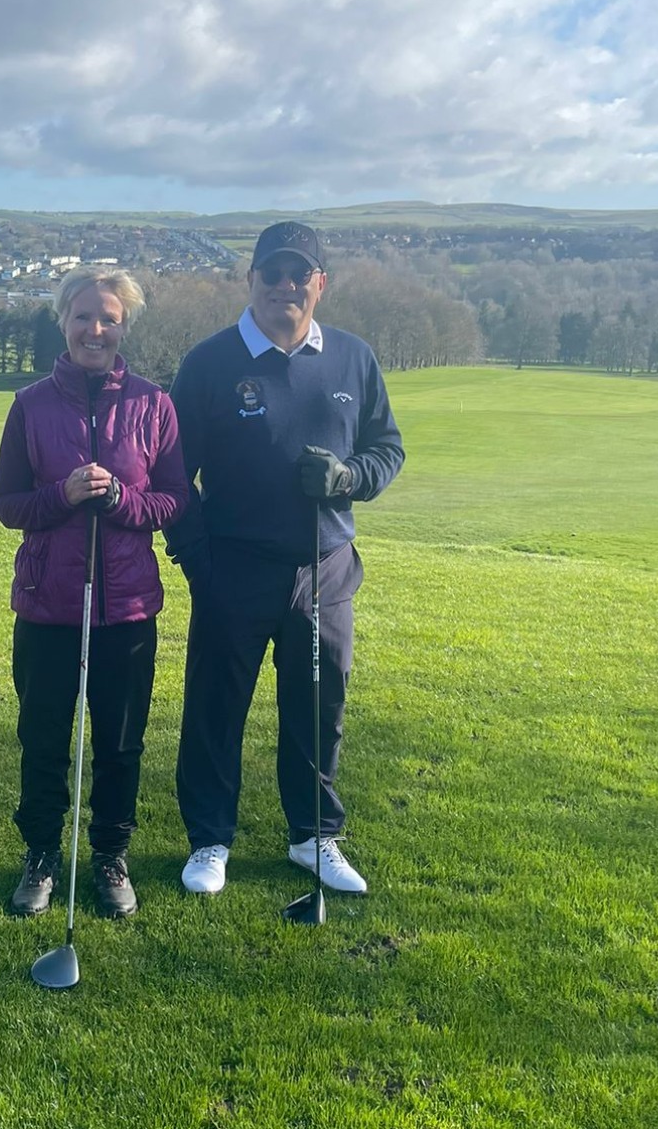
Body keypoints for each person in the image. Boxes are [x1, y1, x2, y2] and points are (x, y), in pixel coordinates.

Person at [164, 221, 405, 896]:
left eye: (299, 274)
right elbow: (175, 476)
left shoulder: (353, 359)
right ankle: (210, 841)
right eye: (272, 273)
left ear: (320, 284)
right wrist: (195, 560)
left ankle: (315, 837)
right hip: (233, 566)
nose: (285, 286)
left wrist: (349, 478)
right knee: (216, 709)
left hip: (324, 567)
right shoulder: (210, 362)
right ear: (252, 281)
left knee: (318, 708)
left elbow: (387, 447)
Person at [0, 266, 188, 918]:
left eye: (108, 318)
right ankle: (42, 854)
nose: (94, 329)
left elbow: (171, 501)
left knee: (120, 742)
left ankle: (110, 854)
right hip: (49, 605)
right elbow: (7, 502)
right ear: (63, 322)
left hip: (127, 608)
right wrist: (62, 495)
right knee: (44, 738)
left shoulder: (153, 405)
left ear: (125, 325)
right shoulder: (30, 405)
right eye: (82, 316)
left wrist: (122, 499)